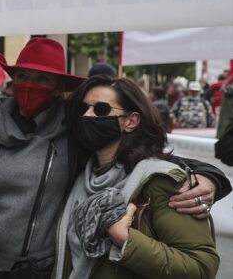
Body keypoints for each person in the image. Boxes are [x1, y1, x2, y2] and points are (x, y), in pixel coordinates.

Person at [0, 38, 230, 279]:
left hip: (44, 270)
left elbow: (149, 161)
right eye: (23, 76)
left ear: (58, 87)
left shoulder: (74, 132)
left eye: (42, 78)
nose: (30, 85)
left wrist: (211, 176)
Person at [55, 76, 218, 278]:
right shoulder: (79, 177)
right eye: (83, 108)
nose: (87, 116)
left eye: (101, 110)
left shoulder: (160, 182)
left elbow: (201, 268)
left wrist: (127, 240)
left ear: (131, 121)